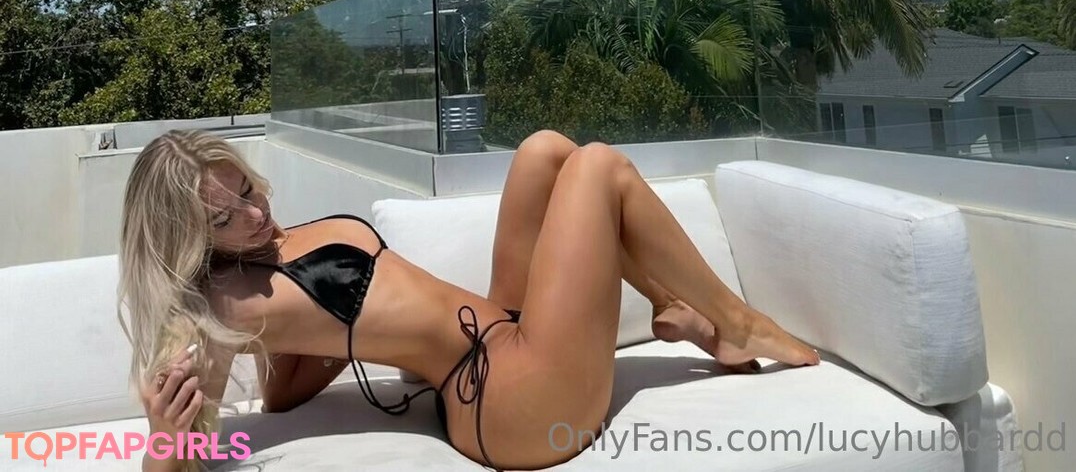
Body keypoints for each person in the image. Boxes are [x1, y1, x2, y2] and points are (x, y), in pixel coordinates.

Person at [119, 129, 818, 472]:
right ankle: (735, 324)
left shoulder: (265, 256)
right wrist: (162, 442)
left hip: (502, 334)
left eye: (246, 188)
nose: (254, 212)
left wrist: (339, 334)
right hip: (510, 403)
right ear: (188, 237)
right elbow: (188, 451)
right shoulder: (217, 309)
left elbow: (284, 392)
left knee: (546, 152)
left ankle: (672, 305)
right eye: (225, 217)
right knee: (598, 166)